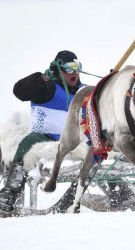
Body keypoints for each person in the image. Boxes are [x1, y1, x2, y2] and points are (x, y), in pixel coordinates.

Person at [0, 50, 84, 214]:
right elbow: (20, 91)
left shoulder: (83, 91)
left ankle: (120, 191)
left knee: (102, 147)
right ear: (58, 69)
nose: (74, 72)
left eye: (77, 67)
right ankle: (10, 191)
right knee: (28, 144)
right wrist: (40, 79)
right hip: (44, 136)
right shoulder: (46, 87)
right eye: (69, 68)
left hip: (75, 140)